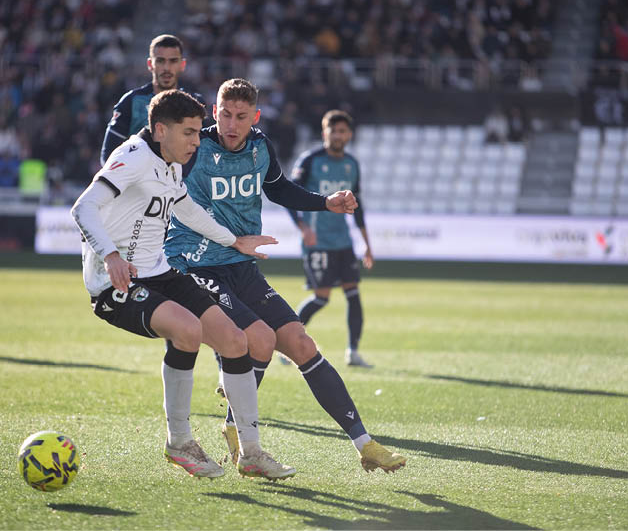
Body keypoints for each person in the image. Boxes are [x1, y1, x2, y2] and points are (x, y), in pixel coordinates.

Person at [165, 79, 406, 474]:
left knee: (300, 341)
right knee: (257, 338)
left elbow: (279, 189)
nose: (232, 123)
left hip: (241, 265)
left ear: (254, 117)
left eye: (241, 116)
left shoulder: (260, 147)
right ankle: (248, 448)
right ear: (214, 111)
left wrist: (325, 203)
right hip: (195, 263)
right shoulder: (194, 149)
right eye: (225, 114)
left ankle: (365, 444)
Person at [72, 89, 295, 480]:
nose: (197, 140)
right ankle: (179, 442)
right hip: (113, 283)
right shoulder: (134, 157)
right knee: (188, 330)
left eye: (197, 132)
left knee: (236, 340)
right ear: (160, 130)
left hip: (157, 272)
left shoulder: (170, 162)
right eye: (189, 132)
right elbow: (84, 207)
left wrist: (233, 240)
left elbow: (187, 209)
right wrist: (110, 256)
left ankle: (252, 452)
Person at [286, 110, 374, 367]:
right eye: (333, 130)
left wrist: (367, 245)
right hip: (318, 241)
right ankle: (286, 343)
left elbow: (358, 206)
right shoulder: (310, 160)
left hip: (343, 241)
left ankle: (353, 352)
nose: (338, 135)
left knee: (353, 293)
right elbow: (289, 194)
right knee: (321, 297)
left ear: (349, 134)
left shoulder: (352, 164)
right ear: (325, 133)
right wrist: (302, 227)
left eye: (343, 131)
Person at [100, 34, 205, 165]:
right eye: (160, 61)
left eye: (173, 61)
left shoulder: (195, 103)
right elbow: (108, 155)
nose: (167, 68)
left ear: (182, 64)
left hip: (182, 183)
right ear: (150, 64)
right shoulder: (131, 101)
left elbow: (205, 152)